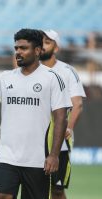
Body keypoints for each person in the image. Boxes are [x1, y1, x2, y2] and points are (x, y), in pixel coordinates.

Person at [0, 28, 72, 199]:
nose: (18, 52)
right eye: (16, 48)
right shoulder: (6, 77)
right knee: (0, 196)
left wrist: (54, 155)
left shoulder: (52, 78)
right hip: (6, 157)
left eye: (23, 48)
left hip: (38, 160)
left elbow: (61, 118)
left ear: (37, 50)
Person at [40, 30, 86, 199]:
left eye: (48, 42)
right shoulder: (30, 70)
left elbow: (77, 104)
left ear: (56, 47)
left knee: (57, 190)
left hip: (58, 141)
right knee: (33, 187)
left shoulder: (67, 71)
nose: (43, 45)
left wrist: (69, 128)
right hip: (33, 140)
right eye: (41, 41)